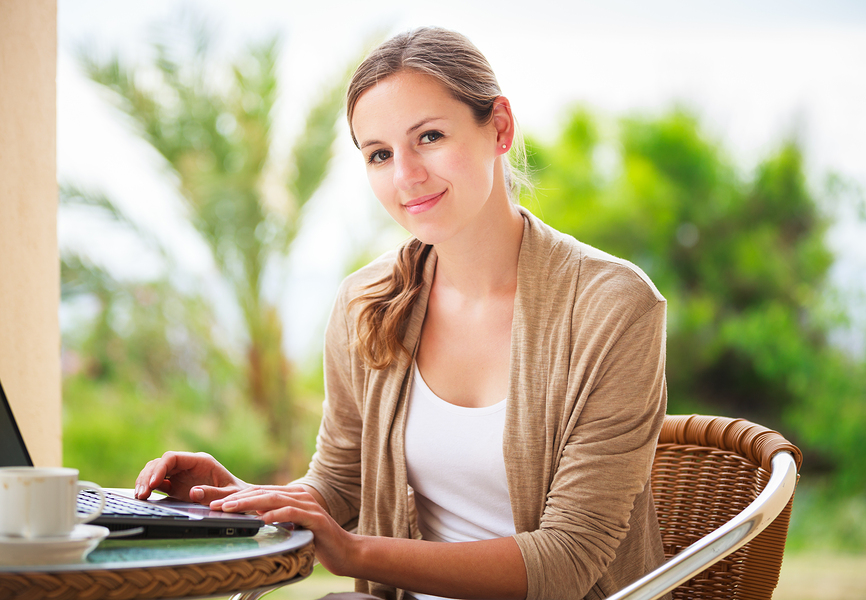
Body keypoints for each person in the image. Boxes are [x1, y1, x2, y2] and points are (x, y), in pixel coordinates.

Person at [134, 26, 668, 600]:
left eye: (431, 136)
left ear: (501, 128)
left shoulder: (612, 306)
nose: (405, 176)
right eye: (380, 155)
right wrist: (239, 499)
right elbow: (341, 483)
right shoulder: (366, 303)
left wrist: (355, 552)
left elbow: (569, 559)